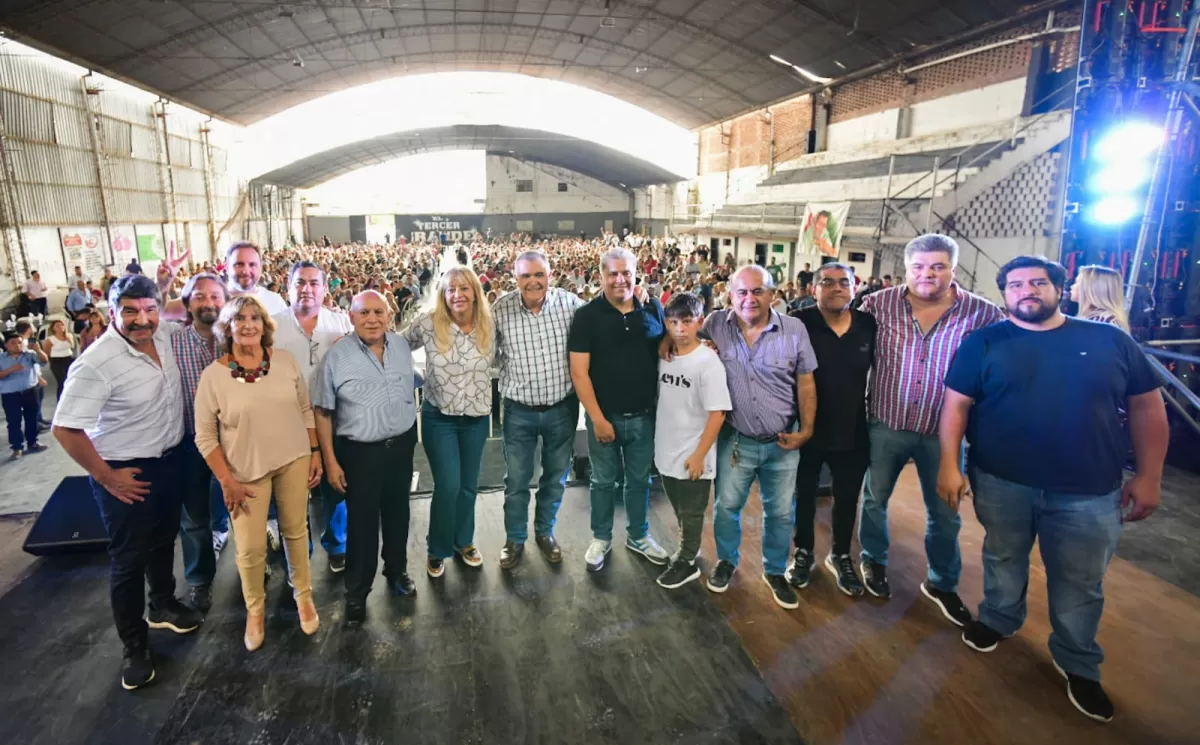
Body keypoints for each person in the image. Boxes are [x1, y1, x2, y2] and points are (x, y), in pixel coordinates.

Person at [938, 255, 1168, 723]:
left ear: (1058, 289)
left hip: (1088, 490)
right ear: (1004, 294)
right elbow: (955, 406)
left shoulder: (1108, 341)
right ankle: (999, 618)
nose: (1028, 291)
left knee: (1080, 581)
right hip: (1002, 481)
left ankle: (1078, 660)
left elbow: (1147, 408)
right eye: (1016, 284)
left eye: (1038, 283)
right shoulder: (984, 342)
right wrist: (950, 464)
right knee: (1002, 556)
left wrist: (1150, 475)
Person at [52, 274, 203, 691]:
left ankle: (163, 604)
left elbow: (196, 312)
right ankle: (134, 645)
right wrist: (106, 477)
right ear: (111, 312)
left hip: (168, 462)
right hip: (124, 472)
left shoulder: (168, 336)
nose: (142, 320)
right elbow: (65, 428)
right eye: (131, 311)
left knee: (163, 539)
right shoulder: (96, 363)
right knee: (128, 560)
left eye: (150, 309)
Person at [856, 234, 1004, 625]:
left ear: (953, 269)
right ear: (906, 269)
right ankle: (873, 560)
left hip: (945, 434)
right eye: (919, 267)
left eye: (938, 267)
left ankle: (941, 582)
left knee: (945, 511)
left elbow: (1010, 352)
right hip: (886, 423)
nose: (928, 275)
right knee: (875, 499)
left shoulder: (982, 313)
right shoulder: (877, 304)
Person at [193, 295, 322, 650]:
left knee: (296, 531)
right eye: (240, 318)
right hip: (244, 472)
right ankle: (255, 609)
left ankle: (304, 596)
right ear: (227, 327)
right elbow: (204, 436)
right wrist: (225, 479)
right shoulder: (214, 376)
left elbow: (305, 409)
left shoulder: (284, 361)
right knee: (250, 547)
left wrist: (314, 453)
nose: (248, 324)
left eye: (255, 318)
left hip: (293, 457)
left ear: (265, 326)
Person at [695, 265, 817, 609]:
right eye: (742, 292)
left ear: (773, 295)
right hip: (736, 439)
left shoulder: (794, 330)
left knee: (779, 512)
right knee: (726, 506)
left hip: (783, 441)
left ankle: (775, 570)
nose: (750, 299)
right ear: (730, 295)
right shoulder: (717, 324)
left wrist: (806, 430)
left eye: (758, 291)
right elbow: (683, 334)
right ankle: (727, 561)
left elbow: (806, 382)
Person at [314, 291, 419, 627]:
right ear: (351, 317)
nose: (372, 319)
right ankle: (357, 592)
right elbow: (323, 411)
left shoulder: (402, 347)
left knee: (398, 512)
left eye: (379, 312)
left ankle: (397, 568)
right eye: (364, 313)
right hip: (359, 452)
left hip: (401, 446)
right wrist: (330, 460)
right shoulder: (337, 356)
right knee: (361, 523)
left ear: (389, 315)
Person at [569, 247, 669, 571]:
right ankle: (601, 538)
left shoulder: (653, 308)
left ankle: (638, 536)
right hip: (605, 417)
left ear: (636, 274)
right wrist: (597, 419)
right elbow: (579, 372)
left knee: (640, 480)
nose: (620, 279)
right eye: (613, 273)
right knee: (601, 481)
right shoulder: (586, 317)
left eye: (626, 272)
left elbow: (668, 346)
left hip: (645, 416)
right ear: (601, 276)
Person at [786, 263, 875, 596]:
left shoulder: (868, 325)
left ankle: (840, 555)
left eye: (844, 282)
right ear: (814, 289)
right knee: (805, 496)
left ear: (855, 287)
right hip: (807, 429)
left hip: (853, 429)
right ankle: (804, 551)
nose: (836, 288)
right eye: (827, 282)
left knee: (847, 498)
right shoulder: (799, 323)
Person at [492, 250, 583, 568]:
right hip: (519, 410)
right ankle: (514, 539)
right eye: (526, 276)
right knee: (516, 479)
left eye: (539, 275)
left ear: (550, 275)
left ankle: (545, 532)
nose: (533, 282)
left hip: (562, 408)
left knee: (555, 476)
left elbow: (599, 332)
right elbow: (488, 352)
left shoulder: (570, 304)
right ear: (515, 279)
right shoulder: (500, 309)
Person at [402, 267, 495, 578]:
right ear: (442, 294)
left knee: (469, 486)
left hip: (477, 419)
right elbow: (396, 346)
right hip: (439, 418)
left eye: (464, 288)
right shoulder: (428, 324)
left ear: (474, 292)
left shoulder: (490, 324)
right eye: (451, 289)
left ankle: (463, 541)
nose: (458, 294)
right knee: (449, 486)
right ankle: (437, 547)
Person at [272, 261, 353, 573]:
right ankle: (297, 546)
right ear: (288, 287)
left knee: (336, 484)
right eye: (300, 283)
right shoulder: (273, 327)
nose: (306, 289)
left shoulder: (341, 323)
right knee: (291, 490)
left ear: (324, 288)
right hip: (287, 421)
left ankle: (337, 544)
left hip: (334, 418)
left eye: (313, 283)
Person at [653, 293, 730, 589]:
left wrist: (700, 455)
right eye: (673, 322)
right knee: (679, 508)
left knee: (692, 510)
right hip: (666, 447)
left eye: (686, 322)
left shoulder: (708, 363)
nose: (680, 329)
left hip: (694, 451)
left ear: (700, 321)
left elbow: (718, 413)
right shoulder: (665, 355)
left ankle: (686, 561)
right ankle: (690, 548)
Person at [169, 272, 229, 612]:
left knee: (246, 507)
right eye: (200, 297)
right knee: (194, 516)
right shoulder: (172, 343)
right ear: (187, 303)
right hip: (192, 443)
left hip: (237, 442)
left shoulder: (238, 339)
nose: (208, 303)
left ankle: (257, 567)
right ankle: (200, 580)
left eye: (215, 296)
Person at [1, 331, 49, 459]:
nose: (17, 345)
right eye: (13, 343)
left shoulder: (30, 355)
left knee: (32, 417)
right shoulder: (1, 358)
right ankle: (17, 447)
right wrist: (12, 369)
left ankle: (33, 442)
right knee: (13, 421)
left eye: (19, 342)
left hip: (30, 391)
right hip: (10, 393)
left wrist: (39, 350)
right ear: (6, 345)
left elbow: (44, 361)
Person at [1070, 264, 1130, 332]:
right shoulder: (1100, 320)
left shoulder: (1101, 322)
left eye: (1077, 282)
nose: (1072, 286)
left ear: (1091, 288)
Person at [41, 319, 76, 414]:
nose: (60, 327)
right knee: (61, 382)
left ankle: (71, 402)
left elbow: (72, 347)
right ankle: (61, 404)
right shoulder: (50, 340)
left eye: (62, 325)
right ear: (53, 328)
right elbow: (46, 352)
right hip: (56, 360)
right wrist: (50, 361)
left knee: (71, 380)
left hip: (68, 358)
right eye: (57, 326)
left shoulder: (69, 336)